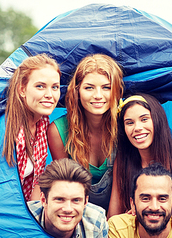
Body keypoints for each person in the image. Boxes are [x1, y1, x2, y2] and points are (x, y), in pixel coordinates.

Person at [108, 94, 172, 218]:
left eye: (144, 119)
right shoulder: (123, 163)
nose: (137, 128)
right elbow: (113, 220)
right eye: (129, 122)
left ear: (158, 120)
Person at [47, 54, 124, 212]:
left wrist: (113, 226)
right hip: (77, 211)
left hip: (121, 209)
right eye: (89, 87)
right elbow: (66, 186)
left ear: (116, 91)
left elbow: (120, 188)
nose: (98, 95)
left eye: (106, 87)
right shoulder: (58, 130)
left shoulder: (124, 125)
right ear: (77, 91)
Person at [3, 54, 61, 201]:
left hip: (24, 209)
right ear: (22, 90)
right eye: (40, 86)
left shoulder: (43, 123)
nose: (49, 95)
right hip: (1, 210)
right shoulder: (8, 129)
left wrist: (34, 217)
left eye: (55, 87)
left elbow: (36, 180)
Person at [27, 158, 111, 238]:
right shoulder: (23, 220)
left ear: (85, 202)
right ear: (43, 200)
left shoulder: (95, 221)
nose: (68, 209)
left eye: (76, 200)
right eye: (59, 199)